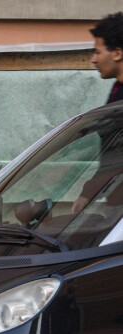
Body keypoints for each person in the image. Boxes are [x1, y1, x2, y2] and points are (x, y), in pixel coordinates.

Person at [71, 12, 123, 214]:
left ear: (117, 53)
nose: (93, 59)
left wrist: (89, 192)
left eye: (97, 52)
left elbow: (119, 154)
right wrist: (88, 193)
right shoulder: (117, 90)